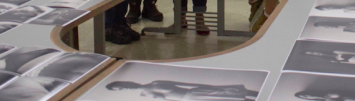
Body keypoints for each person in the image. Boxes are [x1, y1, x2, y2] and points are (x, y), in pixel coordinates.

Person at [105, 80, 259, 100]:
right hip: (188, 99)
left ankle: (261, 95)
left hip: (194, 90)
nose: (126, 87)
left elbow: (182, 82)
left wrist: (208, 86)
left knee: (228, 91)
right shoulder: (145, 93)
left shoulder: (155, 82)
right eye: (122, 89)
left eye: (124, 84)